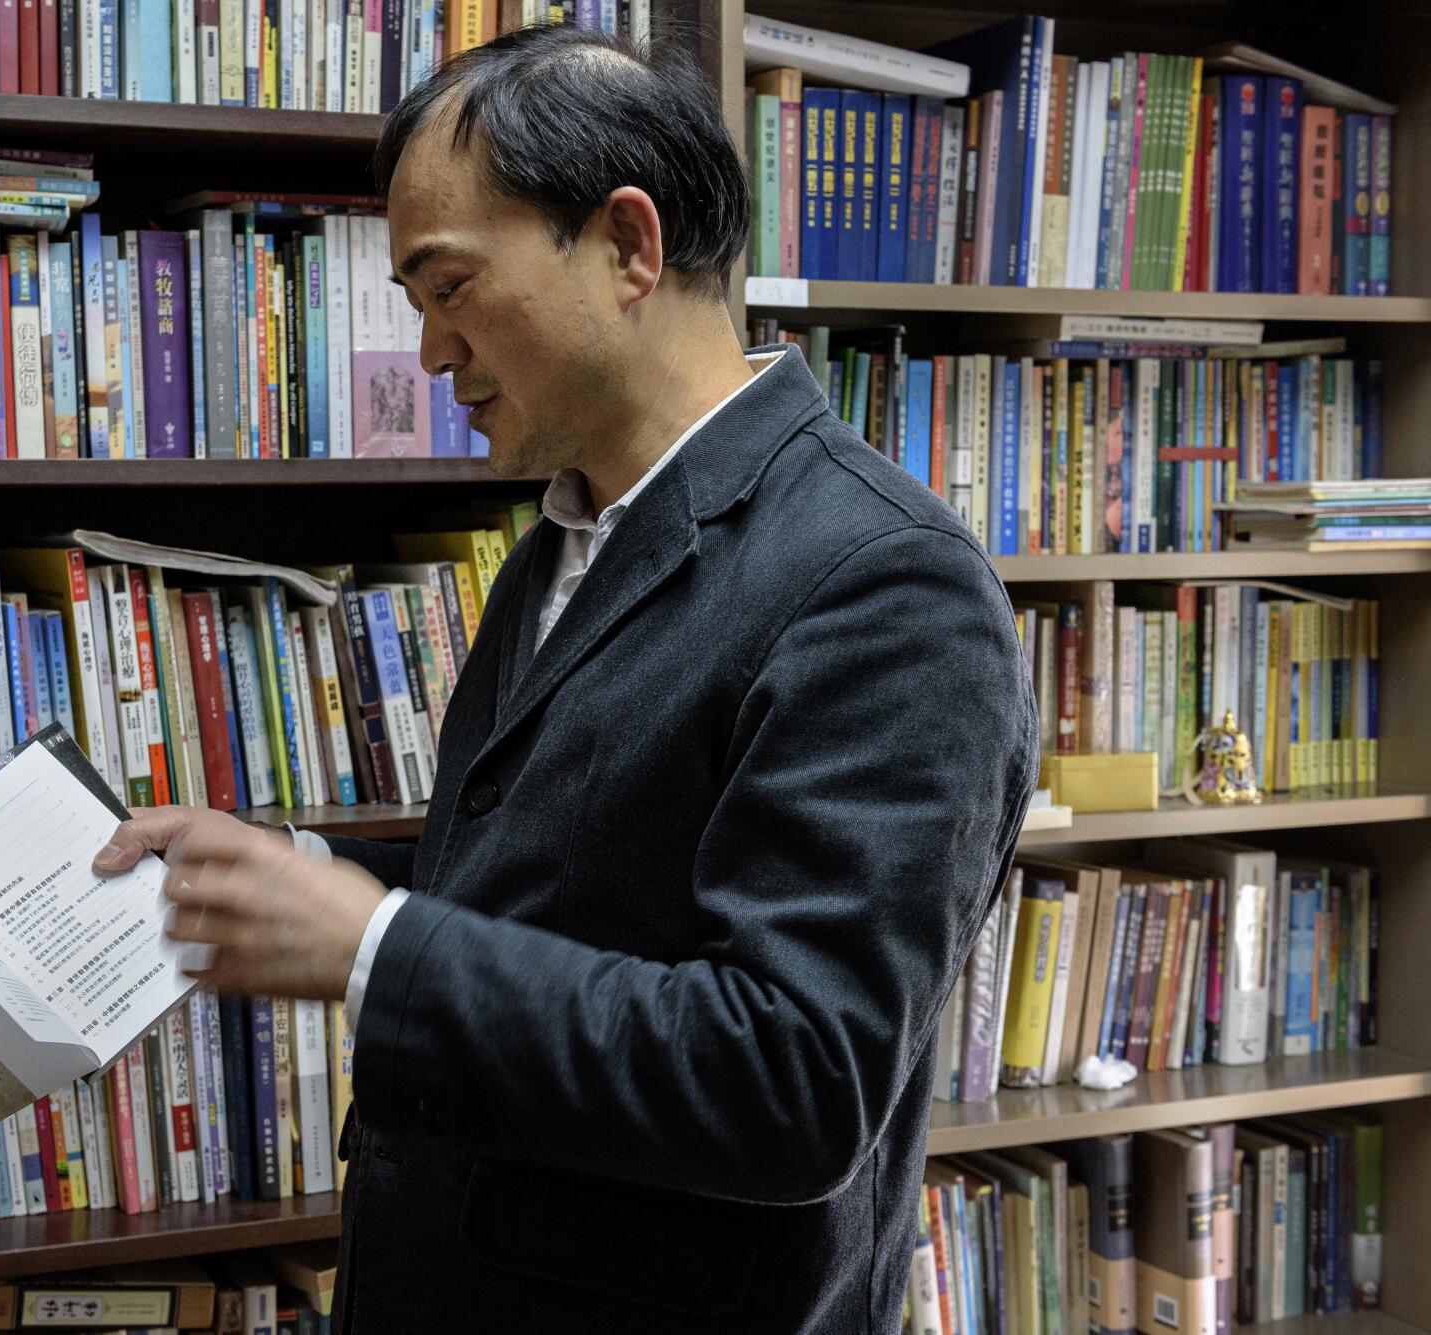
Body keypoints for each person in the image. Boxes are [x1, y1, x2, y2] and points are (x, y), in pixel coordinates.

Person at [94, 25, 1036, 1333]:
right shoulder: (564, 541)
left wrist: (369, 945)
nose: (431, 354)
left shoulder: (884, 582)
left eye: (451, 287)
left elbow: (796, 1076)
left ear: (630, 245)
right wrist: (283, 874)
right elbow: (555, 898)